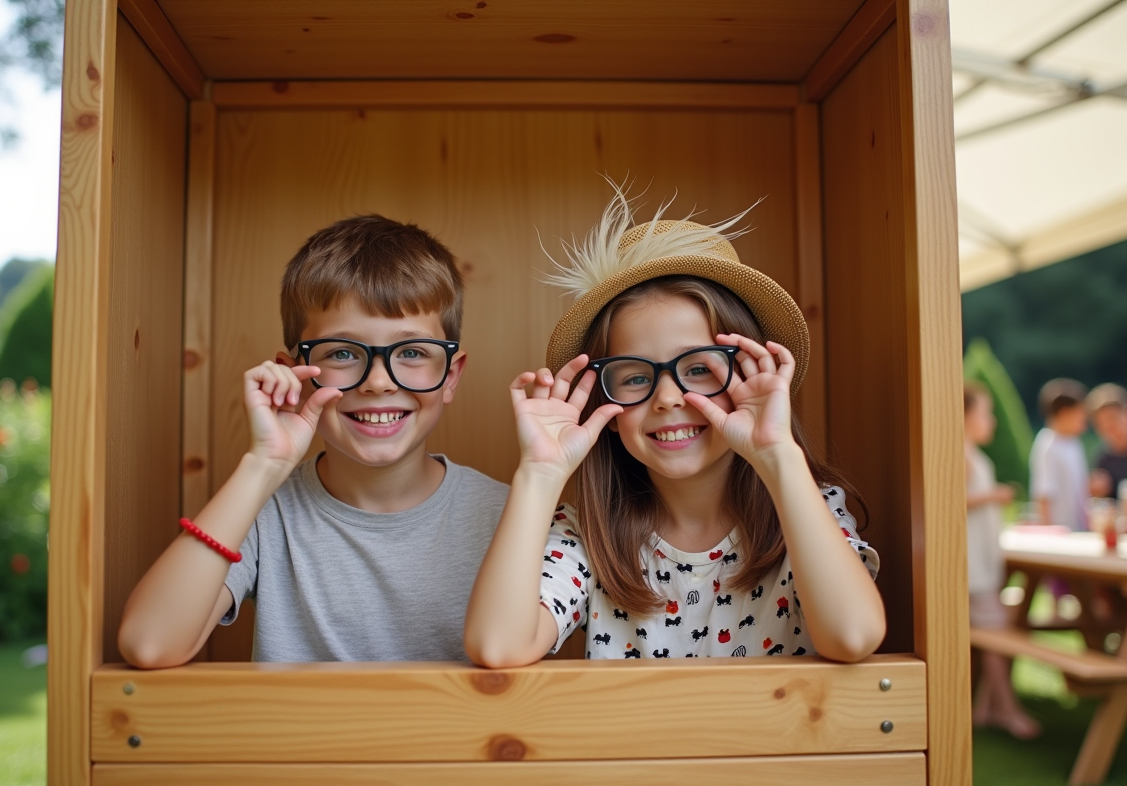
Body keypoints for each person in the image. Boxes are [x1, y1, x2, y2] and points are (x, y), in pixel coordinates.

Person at [464, 188, 883, 666]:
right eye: (636, 378)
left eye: (700, 369)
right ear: (607, 406)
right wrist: (538, 475)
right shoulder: (587, 538)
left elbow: (853, 635)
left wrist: (777, 454)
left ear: (749, 376)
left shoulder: (809, 510)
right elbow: (498, 646)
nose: (667, 399)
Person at [119, 215, 508, 667]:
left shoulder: (508, 516)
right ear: (294, 373)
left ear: (450, 376)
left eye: (412, 352)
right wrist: (263, 465)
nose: (379, 383)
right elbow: (149, 643)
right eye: (343, 352)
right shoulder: (264, 514)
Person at [964, 381, 1041, 739]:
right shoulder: (962, 455)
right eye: (985, 412)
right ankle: (1007, 710)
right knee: (997, 634)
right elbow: (950, 500)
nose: (991, 421)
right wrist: (992, 495)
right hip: (973, 569)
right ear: (965, 416)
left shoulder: (974, 454)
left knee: (995, 632)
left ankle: (987, 708)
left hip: (981, 565)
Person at [1029, 378, 1089, 531]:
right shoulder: (1047, 445)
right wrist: (1050, 533)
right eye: (1080, 414)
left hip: (1078, 529)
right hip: (1061, 533)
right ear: (1064, 414)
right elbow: (1044, 495)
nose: (1084, 421)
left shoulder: (1074, 443)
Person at [1086, 383, 1127, 499]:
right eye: (1101, 423)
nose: (1108, 427)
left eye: (1112, 418)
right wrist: (1096, 492)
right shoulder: (1102, 459)